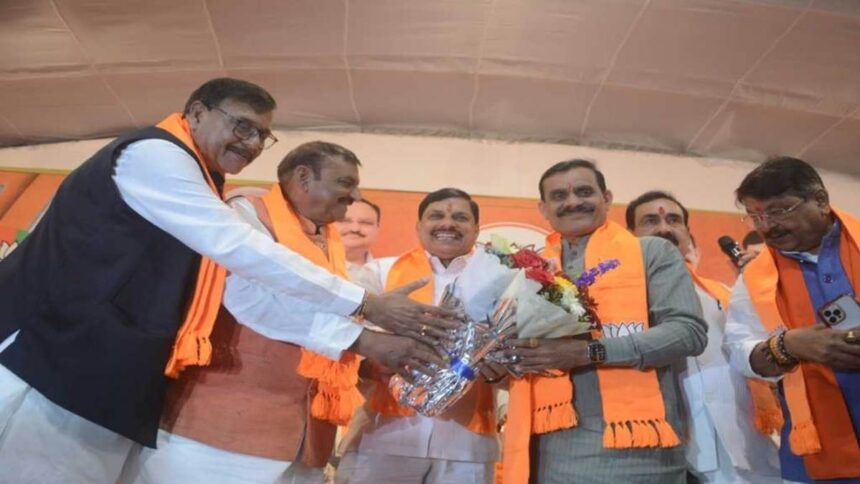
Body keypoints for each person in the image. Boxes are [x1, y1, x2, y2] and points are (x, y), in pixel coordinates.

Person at [0, 78, 452, 483]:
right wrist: (365, 309)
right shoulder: (156, 155)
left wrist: (366, 338)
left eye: (262, 135)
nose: (252, 143)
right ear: (197, 113)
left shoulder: (210, 182)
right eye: (242, 126)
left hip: (112, 374)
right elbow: (238, 256)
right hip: (54, 361)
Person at [502, 160, 707, 483]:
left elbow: (687, 332)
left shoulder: (651, 252)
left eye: (584, 192)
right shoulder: (527, 272)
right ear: (543, 208)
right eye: (559, 196)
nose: (572, 202)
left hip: (637, 452)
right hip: (545, 448)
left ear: (607, 198)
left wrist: (589, 352)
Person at [337, 188, 500, 484]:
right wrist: (372, 363)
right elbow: (343, 333)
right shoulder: (381, 272)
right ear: (418, 226)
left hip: (467, 444)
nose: (447, 223)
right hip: (384, 435)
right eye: (436, 216)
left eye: (460, 217)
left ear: (476, 229)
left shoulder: (500, 279)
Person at [627, 190, 781, 483]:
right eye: (650, 221)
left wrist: (760, 287)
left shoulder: (723, 293)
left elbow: (768, 350)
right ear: (630, 236)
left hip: (744, 442)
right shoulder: (617, 301)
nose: (664, 228)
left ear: (687, 234)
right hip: (665, 449)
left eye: (674, 220)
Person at [723, 156, 860, 482]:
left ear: (821, 201)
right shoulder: (754, 279)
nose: (766, 226)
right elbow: (740, 351)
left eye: (779, 211)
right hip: (817, 453)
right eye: (755, 215)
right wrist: (788, 345)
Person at [336, 198, 393, 294]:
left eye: (366, 223)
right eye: (344, 221)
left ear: (377, 229)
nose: (355, 228)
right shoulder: (313, 269)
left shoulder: (389, 272)